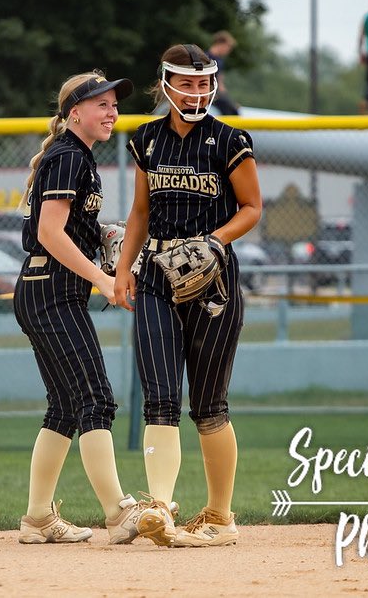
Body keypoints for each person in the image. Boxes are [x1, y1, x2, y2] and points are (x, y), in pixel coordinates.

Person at [113, 44, 262, 547]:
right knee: (159, 395)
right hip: (156, 272)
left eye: (205, 83)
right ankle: (159, 508)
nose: (198, 92)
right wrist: (121, 269)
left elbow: (252, 206)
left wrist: (214, 241)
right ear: (166, 83)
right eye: (188, 83)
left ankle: (220, 517)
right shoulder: (147, 139)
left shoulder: (228, 139)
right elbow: (139, 213)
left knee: (209, 405)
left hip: (212, 281)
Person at [15, 71, 149, 545]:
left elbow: (65, 230)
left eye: (114, 104)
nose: (112, 111)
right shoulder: (70, 156)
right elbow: (51, 234)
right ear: (74, 112)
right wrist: (104, 278)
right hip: (51, 292)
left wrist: (101, 238)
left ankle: (37, 519)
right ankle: (118, 512)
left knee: (66, 407)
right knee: (96, 400)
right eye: (101, 103)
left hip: (46, 290)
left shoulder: (73, 158)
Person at [207, 30, 241, 116]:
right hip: (208, 94)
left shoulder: (220, 61)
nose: (228, 50)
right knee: (229, 111)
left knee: (234, 109)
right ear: (220, 44)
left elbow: (220, 84)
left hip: (217, 94)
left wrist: (230, 101)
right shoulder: (206, 58)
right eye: (228, 47)